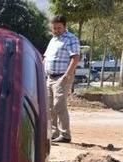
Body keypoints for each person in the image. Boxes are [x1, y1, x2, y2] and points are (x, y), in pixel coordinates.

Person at [43, 14, 80, 143]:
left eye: (59, 27)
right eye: (54, 28)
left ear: (65, 26)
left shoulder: (71, 39)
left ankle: (65, 134)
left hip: (62, 77)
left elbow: (75, 58)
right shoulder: (53, 39)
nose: (57, 30)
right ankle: (53, 133)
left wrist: (67, 74)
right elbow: (46, 57)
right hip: (50, 77)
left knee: (59, 105)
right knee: (49, 106)